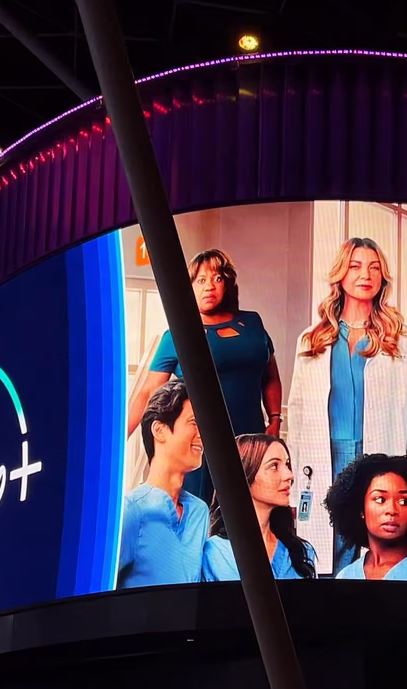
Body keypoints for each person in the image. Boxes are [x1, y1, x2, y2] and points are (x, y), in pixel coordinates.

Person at [284, 238, 407, 571]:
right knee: (325, 555)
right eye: (355, 266)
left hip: (381, 457)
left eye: (374, 267)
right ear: (340, 275)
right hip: (325, 459)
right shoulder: (311, 340)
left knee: (379, 555)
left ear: (383, 277)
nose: (365, 275)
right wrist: (293, 490)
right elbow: (297, 418)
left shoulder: (405, 340)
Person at [124, 249, 281, 505]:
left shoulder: (253, 323)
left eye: (217, 278)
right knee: (202, 512)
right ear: (190, 287)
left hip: (251, 440)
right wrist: (118, 439)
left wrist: (275, 419)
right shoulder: (179, 333)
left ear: (227, 284)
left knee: (251, 512)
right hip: (201, 442)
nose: (209, 286)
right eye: (201, 280)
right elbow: (148, 392)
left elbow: (271, 376)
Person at [118, 380, 211, 588]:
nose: (202, 434)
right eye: (194, 423)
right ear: (159, 430)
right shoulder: (131, 511)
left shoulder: (199, 512)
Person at [201, 434, 318, 581]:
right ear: (245, 475)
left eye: (287, 464)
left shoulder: (302, 552)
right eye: (274, 466)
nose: (289, 475)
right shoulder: (214, 554)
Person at [323, 453, 407, 582]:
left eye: (404, 501)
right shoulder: (346, 576)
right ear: (360, 508)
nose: (392, 510)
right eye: (380, 499)